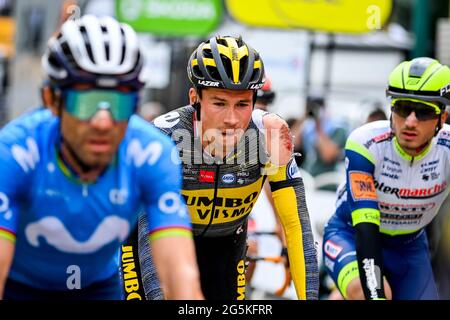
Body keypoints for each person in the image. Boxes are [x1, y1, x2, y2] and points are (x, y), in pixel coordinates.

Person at [0, 15, 202, 300]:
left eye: (119, 102)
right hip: (18, 288)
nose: (103, 122)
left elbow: (181, 277)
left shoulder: (152, 153)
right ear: (51, 100)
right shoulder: (16, 152)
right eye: (86, 101)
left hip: (96, 288)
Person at [134, 35, 319, 300]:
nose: (232, 119)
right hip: (161, 244)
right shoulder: (165, 137)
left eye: (242, 104)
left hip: (226, 248)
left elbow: (296, 227)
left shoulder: (271, 136)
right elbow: (148, 233)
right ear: (194, 98)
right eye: (219, 103)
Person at [322, 57, 450, 300]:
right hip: (351, 235)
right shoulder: (366, 143)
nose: (410, 121)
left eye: (423, 112)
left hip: (409, 247)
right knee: (369, 294)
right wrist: (375, 293)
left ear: (441, 120)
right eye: (402, 108)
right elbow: (366, 230)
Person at [294, 95, 348, 191]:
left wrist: (319, 126)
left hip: (327, 183)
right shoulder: (306, 128)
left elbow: (327, 156)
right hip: (306, 181)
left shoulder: (337, 130)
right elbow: (292, 145)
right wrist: (303, 118)